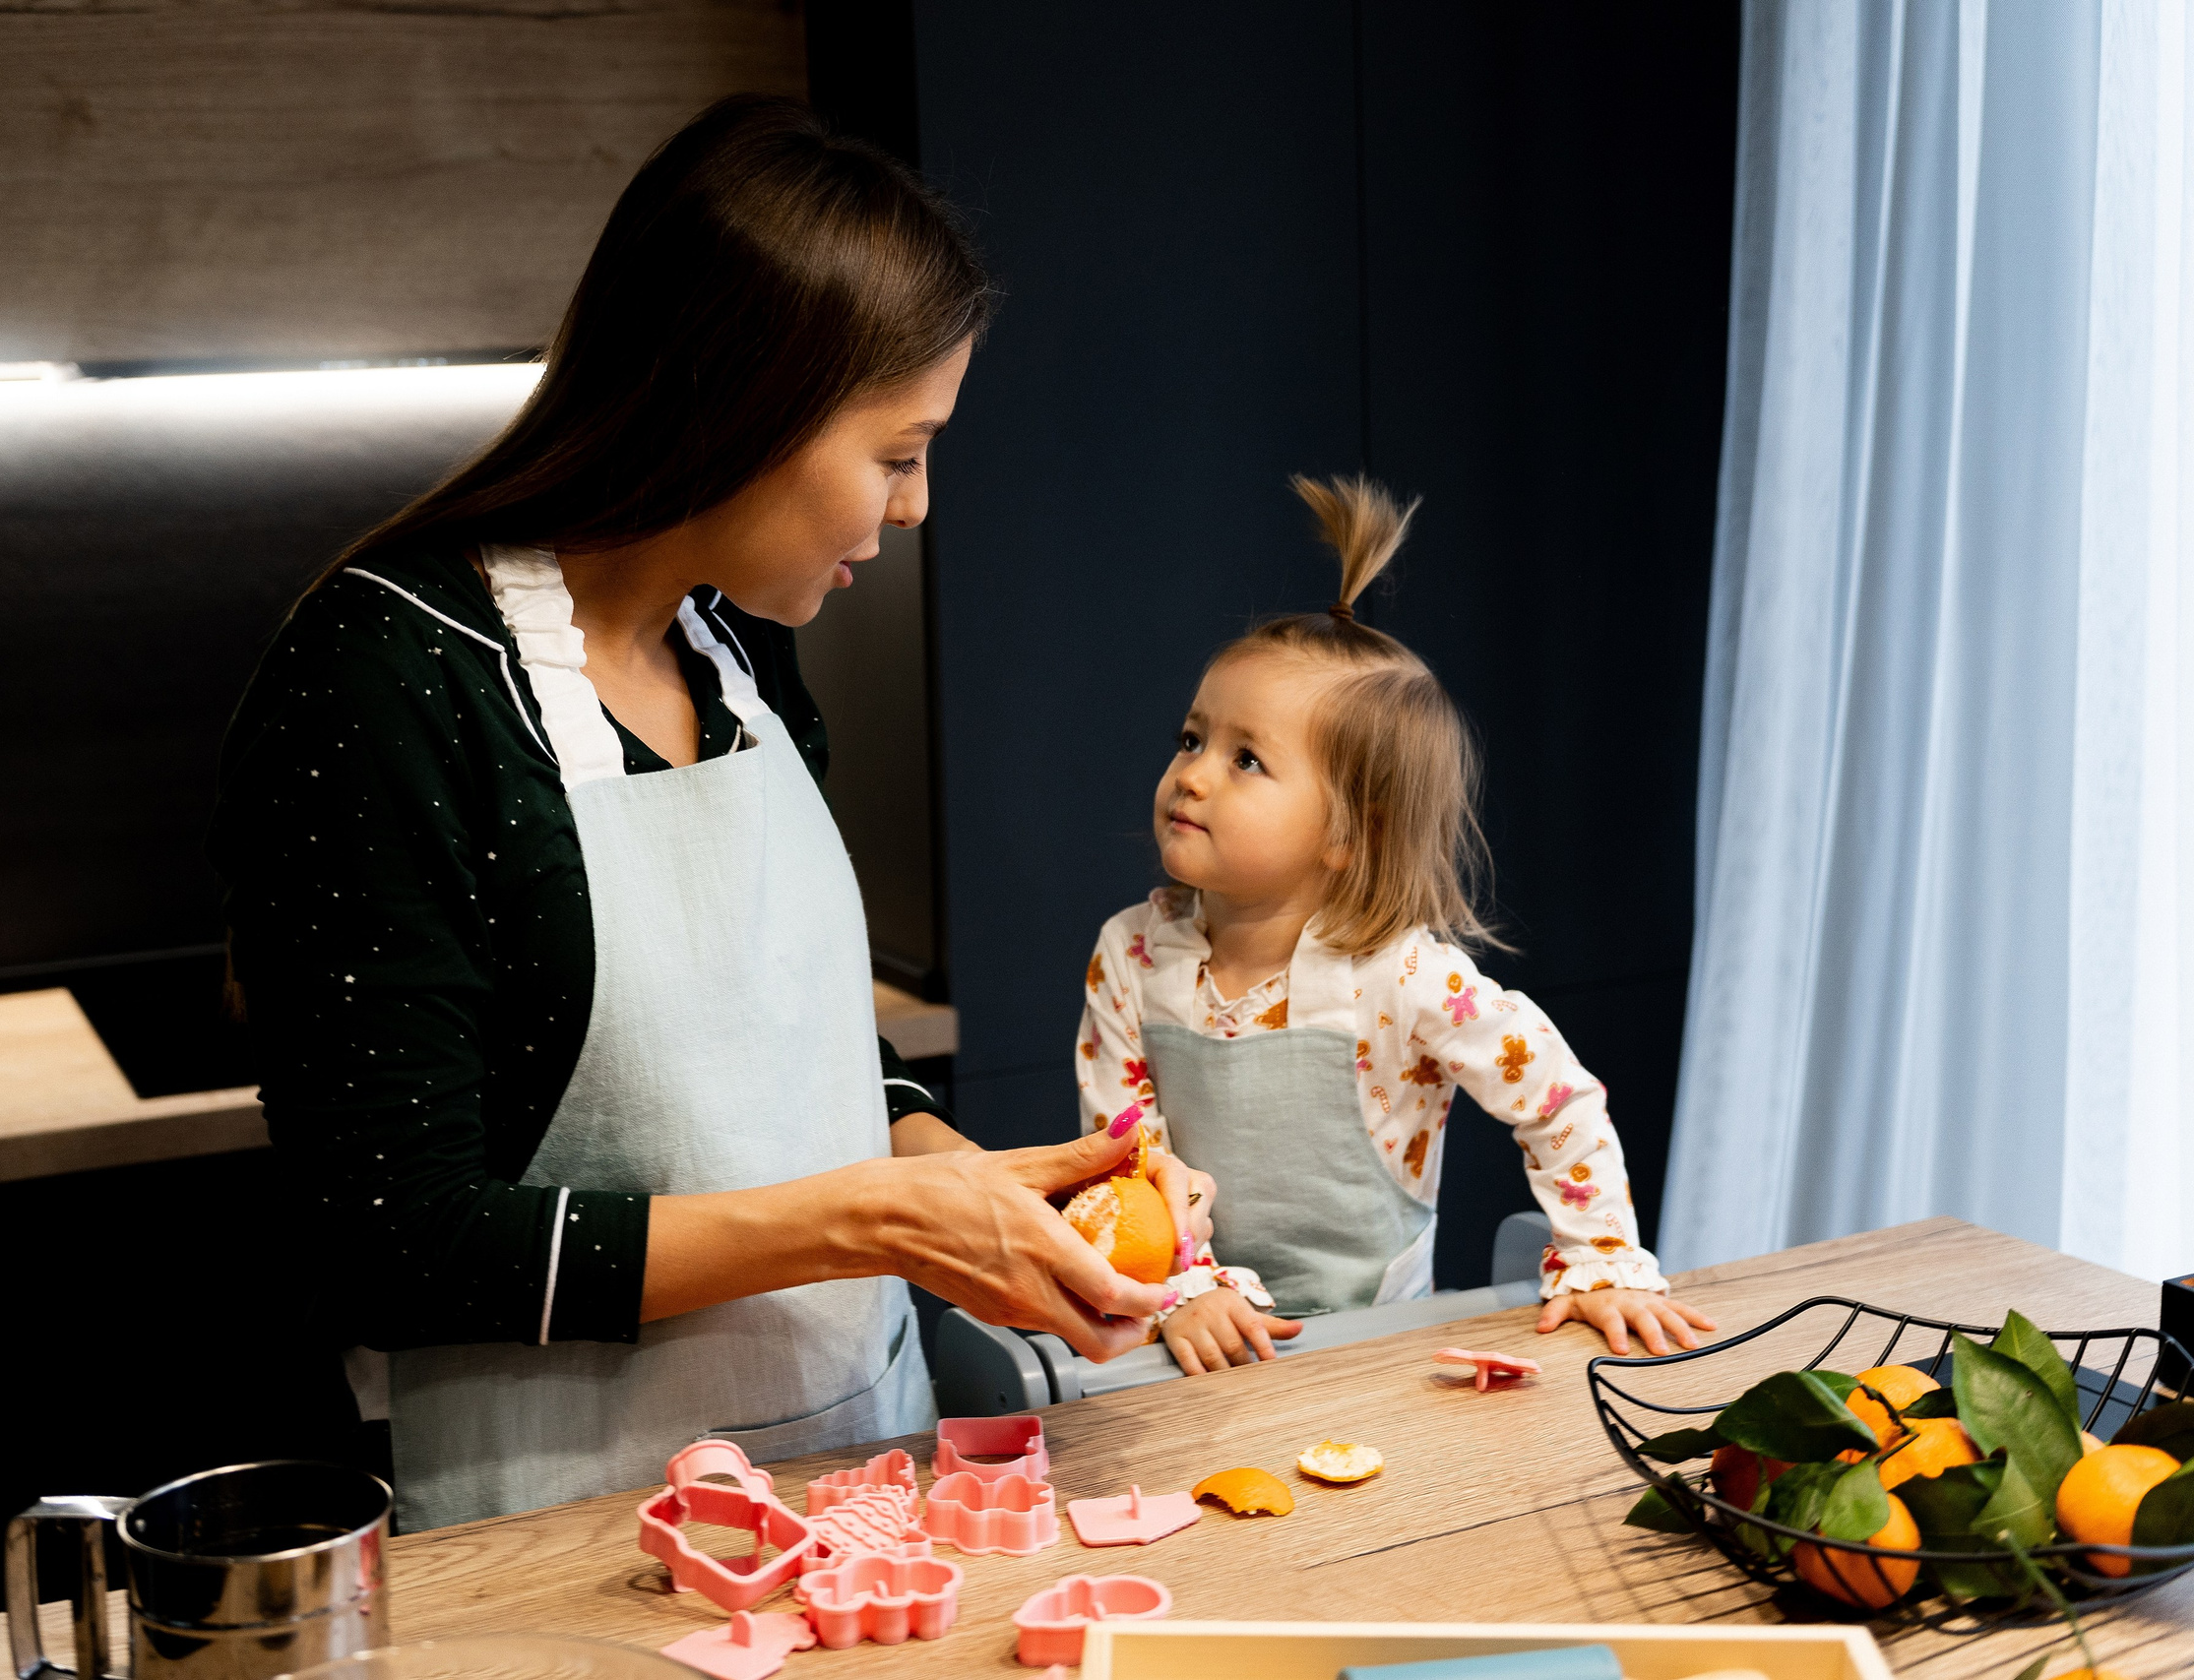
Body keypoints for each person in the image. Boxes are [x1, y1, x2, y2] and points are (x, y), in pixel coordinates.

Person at [210, 95, 1208, 1530]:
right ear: (748, 404)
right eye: (898, 450)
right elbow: (393, 1239)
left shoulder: (734, 653)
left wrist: (985, 1197)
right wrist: (865, 1221)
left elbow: (800, 1061)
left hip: (861, 1487)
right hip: (566, 1536)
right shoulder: (386, 680)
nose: (920, 505)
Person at [1073, 474, 1717, 1377]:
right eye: (1192, 739)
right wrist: (1189, 1285)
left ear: (1348, 831)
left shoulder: (1405, 979)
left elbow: (1559, 1100)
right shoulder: (1132, 956)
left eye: (1246, 758)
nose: (1194, 774)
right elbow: (1121, 1155)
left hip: (1377, 1353)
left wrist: (1602, 1258)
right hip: (1188, 1343)